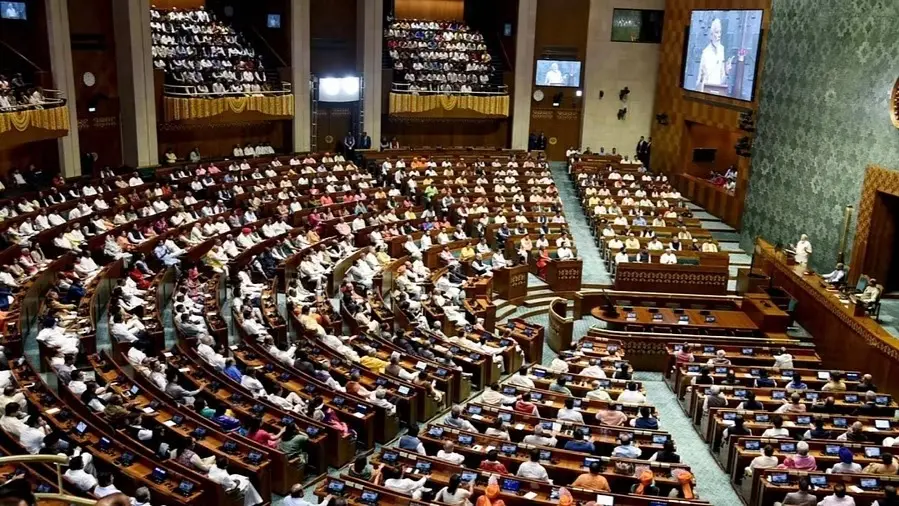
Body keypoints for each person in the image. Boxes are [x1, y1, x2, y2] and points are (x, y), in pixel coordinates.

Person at [696, 18, 732, 92]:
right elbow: (700, 78)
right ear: (711, 35)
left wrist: (726, 71)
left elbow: (722, 79)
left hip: (718, 91)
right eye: (716, 32)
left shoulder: (721, 50)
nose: (719, 35)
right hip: (706, 90)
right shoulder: (705, 53)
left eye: (720, 32)